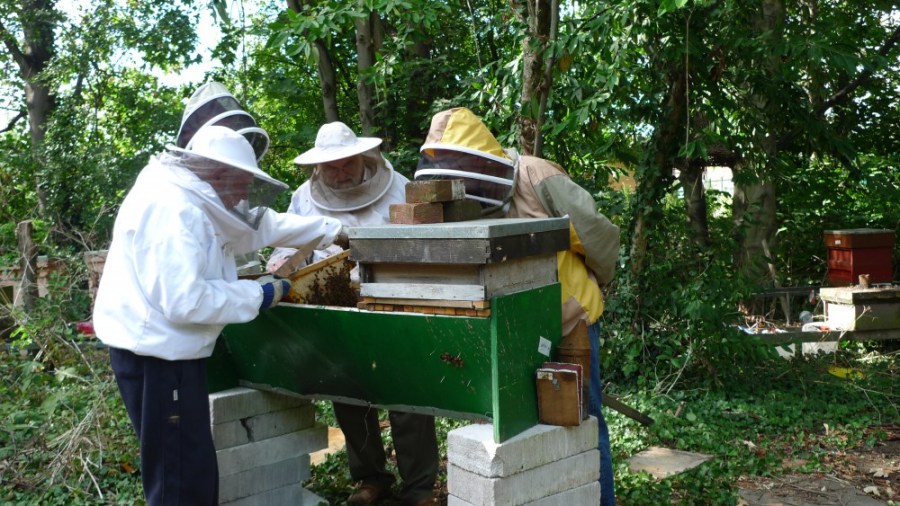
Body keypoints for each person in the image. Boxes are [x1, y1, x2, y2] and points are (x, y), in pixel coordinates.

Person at [93, 124, 344, 505]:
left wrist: (331, 229)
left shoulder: (194, 196)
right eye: (242, 182)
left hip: (166, 357)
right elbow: (185, 301)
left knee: (190, 465)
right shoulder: (174, 210)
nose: (245, 193)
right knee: (180, 478)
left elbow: (257, 225)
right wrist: (257, 293)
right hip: (157, 360)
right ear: (216, 173)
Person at [414, 107, 620, 506]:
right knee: (516, 430)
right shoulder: (452, 194)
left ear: (480, 157)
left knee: (583, 423)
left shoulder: (537, 176)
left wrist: (596, 285)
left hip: (568, 324)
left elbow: (598, 239)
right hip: (505, 333)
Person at [267, 121, 439, 506]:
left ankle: (420, 489)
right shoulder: (303, 199)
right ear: (318, 169)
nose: (341, 173)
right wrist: (281, 261)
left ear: (363, 158)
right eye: (332, 168)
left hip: (394, 299)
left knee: (408, 393)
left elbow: (422, 242)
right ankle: (371, 480)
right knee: (349, 392)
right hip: (336, 305)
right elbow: (291, 246)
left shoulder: (397, 188)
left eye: (347, 165)